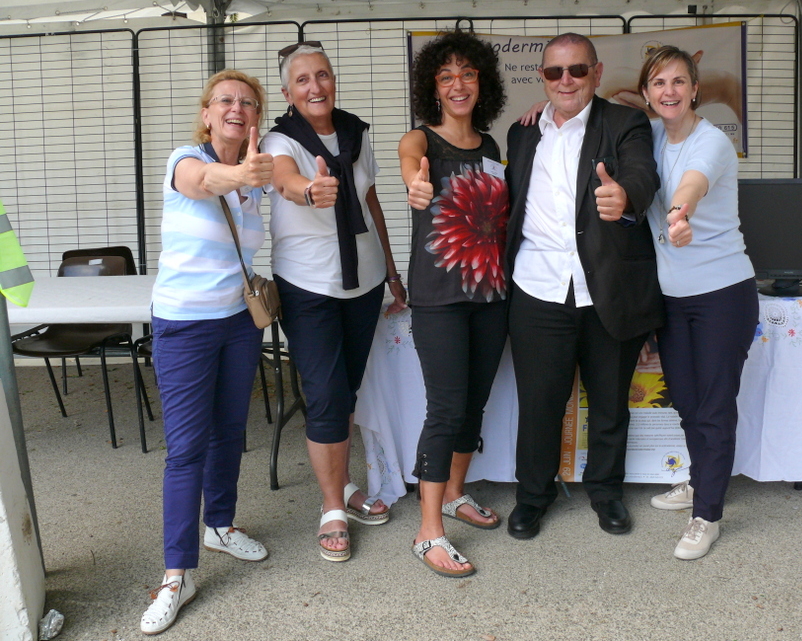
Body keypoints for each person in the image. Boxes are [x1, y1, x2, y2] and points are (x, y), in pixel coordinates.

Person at [505, 33, 663, 541]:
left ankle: (606, 492)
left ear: (596, 74)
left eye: (577, 70)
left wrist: (626, 196)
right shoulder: (522, 132)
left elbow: (642, 173)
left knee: (610, 402)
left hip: (606, 289)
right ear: (543, 79)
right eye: (555, 73)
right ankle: (532, 496)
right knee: (539, 404)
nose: (566, 80)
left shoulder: (625, 122)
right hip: (537, 287)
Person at [261, 41, 406, 563]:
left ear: (333, 80)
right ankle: (331, 508)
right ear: (287, 91)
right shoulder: (279, 139)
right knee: (323, 393)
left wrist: (391, 269)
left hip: (363, 281)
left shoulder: (357, 132)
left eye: (321, 75)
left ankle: (342, 484)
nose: (314, 87)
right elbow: (284, 180)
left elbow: (369, 202)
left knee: (345, 388)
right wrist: (310, 191)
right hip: (309, 283)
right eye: (302, 80)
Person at [142, 70, 273, 635]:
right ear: (207, 113)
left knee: (230, 430)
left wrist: (272, 182)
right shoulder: (184, 160)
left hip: (238, 322)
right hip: (186, 325)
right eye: (226, 101)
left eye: (247, 103)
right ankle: (177, 573)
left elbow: (272, 194)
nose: (236, 108)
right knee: (186, 449)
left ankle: (219, 524)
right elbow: (201, 182)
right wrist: (239, 173)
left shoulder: (256, 179)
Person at [638, 45, 757, 560]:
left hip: (722, 294)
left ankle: (706, 514)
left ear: (694, 90)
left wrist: (680, 212)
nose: (669, 91)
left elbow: (693, 182)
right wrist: (543, 111)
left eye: (679, 82)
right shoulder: (648, 139)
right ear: (645, 93)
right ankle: (697, 480)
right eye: (659, 82)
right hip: (672, 297)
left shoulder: (712, 142)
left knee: (713, 406)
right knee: (686, 402)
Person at [398, 31, 509, 577]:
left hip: (490, 296)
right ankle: (428, 532)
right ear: (433, 88)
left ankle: (453, 495)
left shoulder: (491, 148)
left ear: (481, 81)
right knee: (445, 409)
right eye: (446, 76)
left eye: (467, 73)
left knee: (474, 403)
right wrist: (416, 187)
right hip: (439, 299)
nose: (458, 83)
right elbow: (410, 166)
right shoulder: (419, 141)